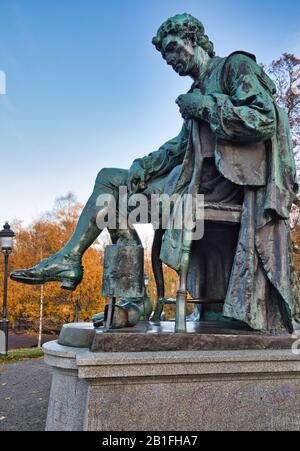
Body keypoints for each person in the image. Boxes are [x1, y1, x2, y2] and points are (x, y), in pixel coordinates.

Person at [11, 13, 299, 333]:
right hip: (191, 179)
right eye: (166, 56)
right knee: (110, 180)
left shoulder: (235, 67)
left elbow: (263, 119)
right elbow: (178, 148)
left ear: (194, 40)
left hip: (218, 186)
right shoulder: (199, 88)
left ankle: (130, 298)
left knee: (113, 198)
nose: (171, 60)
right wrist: (142, 166)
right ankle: (77, 263)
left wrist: (203, 106)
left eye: (174, 49)